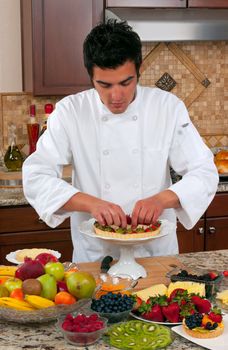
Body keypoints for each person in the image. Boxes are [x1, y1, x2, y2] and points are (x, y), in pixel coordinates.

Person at [22, 20, 219, 263]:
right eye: (104, 85)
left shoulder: (167, 107)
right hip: (95, 256)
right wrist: (91, 204)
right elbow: (36, 175)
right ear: (90, 76)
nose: (116, 96)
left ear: (139, 69)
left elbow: (205, 172)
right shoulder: (71, 111)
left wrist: (162, 199)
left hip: (155, 254)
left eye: (126, 82)